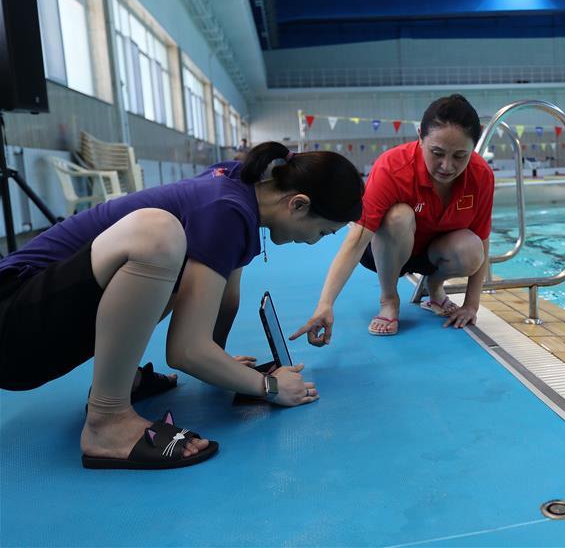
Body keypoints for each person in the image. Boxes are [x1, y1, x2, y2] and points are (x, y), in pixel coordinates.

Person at [0, 142, 363, 470]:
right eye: (323, 233)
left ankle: (124, 378)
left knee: (180, 266)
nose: (315, 243)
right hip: (12, 324)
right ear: (298, 204)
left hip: (37, 324)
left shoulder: (238, 187)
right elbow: (185, 351)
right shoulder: (226, 208)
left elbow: (223, 294)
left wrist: (217, 361)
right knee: (158, 234)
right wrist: (268, 387)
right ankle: (107, 422)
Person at [294, 94, 493, 341]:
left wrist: (471, 305)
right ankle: (389, 299)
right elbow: (356, 240)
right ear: (420, 136)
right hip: (384, 248)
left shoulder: (481, 175)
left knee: (472, 248)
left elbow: (483, 240)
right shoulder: (392, 167)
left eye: (460, 156)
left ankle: (434, 286)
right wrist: (325, 304)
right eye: (437, 152)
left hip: (432, 254)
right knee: (398, 216)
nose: (447, 166)